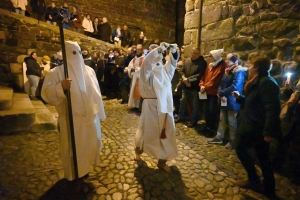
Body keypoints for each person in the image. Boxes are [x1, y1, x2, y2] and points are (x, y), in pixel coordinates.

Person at [41, 41, 106, 182]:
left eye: (77, 52)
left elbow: (96, 93)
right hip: (70, 119)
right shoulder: (56, 73)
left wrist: (99, 112)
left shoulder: (89, 71)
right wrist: (60, 87)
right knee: (72, 148)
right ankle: (73, 175)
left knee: (89, 146)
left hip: (89, 118)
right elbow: (45, 93)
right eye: (72, 53)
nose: (75, 56)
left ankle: (85, 170)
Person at [232, 56, 281, 199]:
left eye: (251, 65)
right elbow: (254, 102)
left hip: (255, 127)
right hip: (253, 124)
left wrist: (268, 132)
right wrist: (240, 98)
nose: (249, 68)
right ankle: (267, 187)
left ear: (257, 68)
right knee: (262, 157)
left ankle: (256, 181)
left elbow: (272, 109)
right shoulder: (258, 81)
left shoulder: (267, 83)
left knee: (241, 148)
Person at [135, 42, 179, 172]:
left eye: (160, 55)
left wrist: (174, 51)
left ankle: (162, 161)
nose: (158, 58)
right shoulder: (146, 72)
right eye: (156, 55)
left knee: (166, 133)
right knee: (146, 131)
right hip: (151, 107)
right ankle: (138, 151)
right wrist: (159, 50)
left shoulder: (164, 71)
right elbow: (147, 65)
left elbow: (172, 64)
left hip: (165, 107)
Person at [208, 53, 247, 150]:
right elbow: (222, 83)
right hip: (224, 98)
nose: (225, 61)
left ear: (234, 61)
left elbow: (235, 86)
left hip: (232, 99)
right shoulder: (228, 71)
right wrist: (220, 93)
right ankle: (219, 137)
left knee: (232, 121)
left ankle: (232, 141)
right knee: (222, 119)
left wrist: (221, 93)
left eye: (228, 60)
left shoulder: (239, 72)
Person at [175, 47, 207, 127]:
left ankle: (194, 120)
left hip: (195, 87)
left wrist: (188, 80)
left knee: (195, 104)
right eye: (192, 52)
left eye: (195, 53)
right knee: (183, 101)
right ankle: (180, 116)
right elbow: (182, 71)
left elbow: (200, 75)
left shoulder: (202, 62)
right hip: (185, 85)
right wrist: (184, 79)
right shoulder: (187, 60)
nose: (193, 54)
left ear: (199, 54)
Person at [199, 49, 226, 137]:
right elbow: (204, 77)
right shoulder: (209, 66)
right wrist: (202, 85)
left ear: (215, 57)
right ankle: (207, 126)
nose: (208, 58)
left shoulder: (221, 66)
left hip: (213, 93)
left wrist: (205, 87)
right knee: (206, 111)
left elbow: (214, 81)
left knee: (212, 111)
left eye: (210, 56)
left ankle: (212, 129)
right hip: (206, 91)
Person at [127, 44, 145, 110]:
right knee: (133, 91)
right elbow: (130, 66)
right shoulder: (134, 58)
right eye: (136, 49)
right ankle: (134, 105)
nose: (137, 50)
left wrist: (136, 70)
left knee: (139, 91)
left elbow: (144, 69)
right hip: (134, 77)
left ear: (142, 50)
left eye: (139, 49)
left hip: (140, 78)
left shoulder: (144, 59)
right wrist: (130, 69)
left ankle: (139, 106)